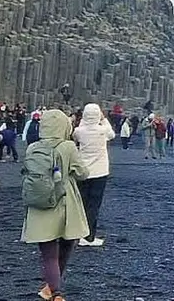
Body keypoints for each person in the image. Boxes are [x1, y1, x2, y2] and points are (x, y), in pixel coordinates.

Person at [21, 109, 89, 301]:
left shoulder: (32, 147)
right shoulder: (67, 146)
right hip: (63, 201)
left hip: (38, 203)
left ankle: (51, 288)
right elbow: (83, 173)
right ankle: (55, 293)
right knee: (67, 242)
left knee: (48, 252)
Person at [73, 103, 115, 247]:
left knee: (82, 203)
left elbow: (76, 135)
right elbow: (112, 133)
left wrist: (86, 120)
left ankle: (79, 234)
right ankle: (89, 237)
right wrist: (103, 119)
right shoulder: (103, 131)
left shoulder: (79, 131)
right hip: (100, 171)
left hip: (83, 171)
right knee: (94, 205)